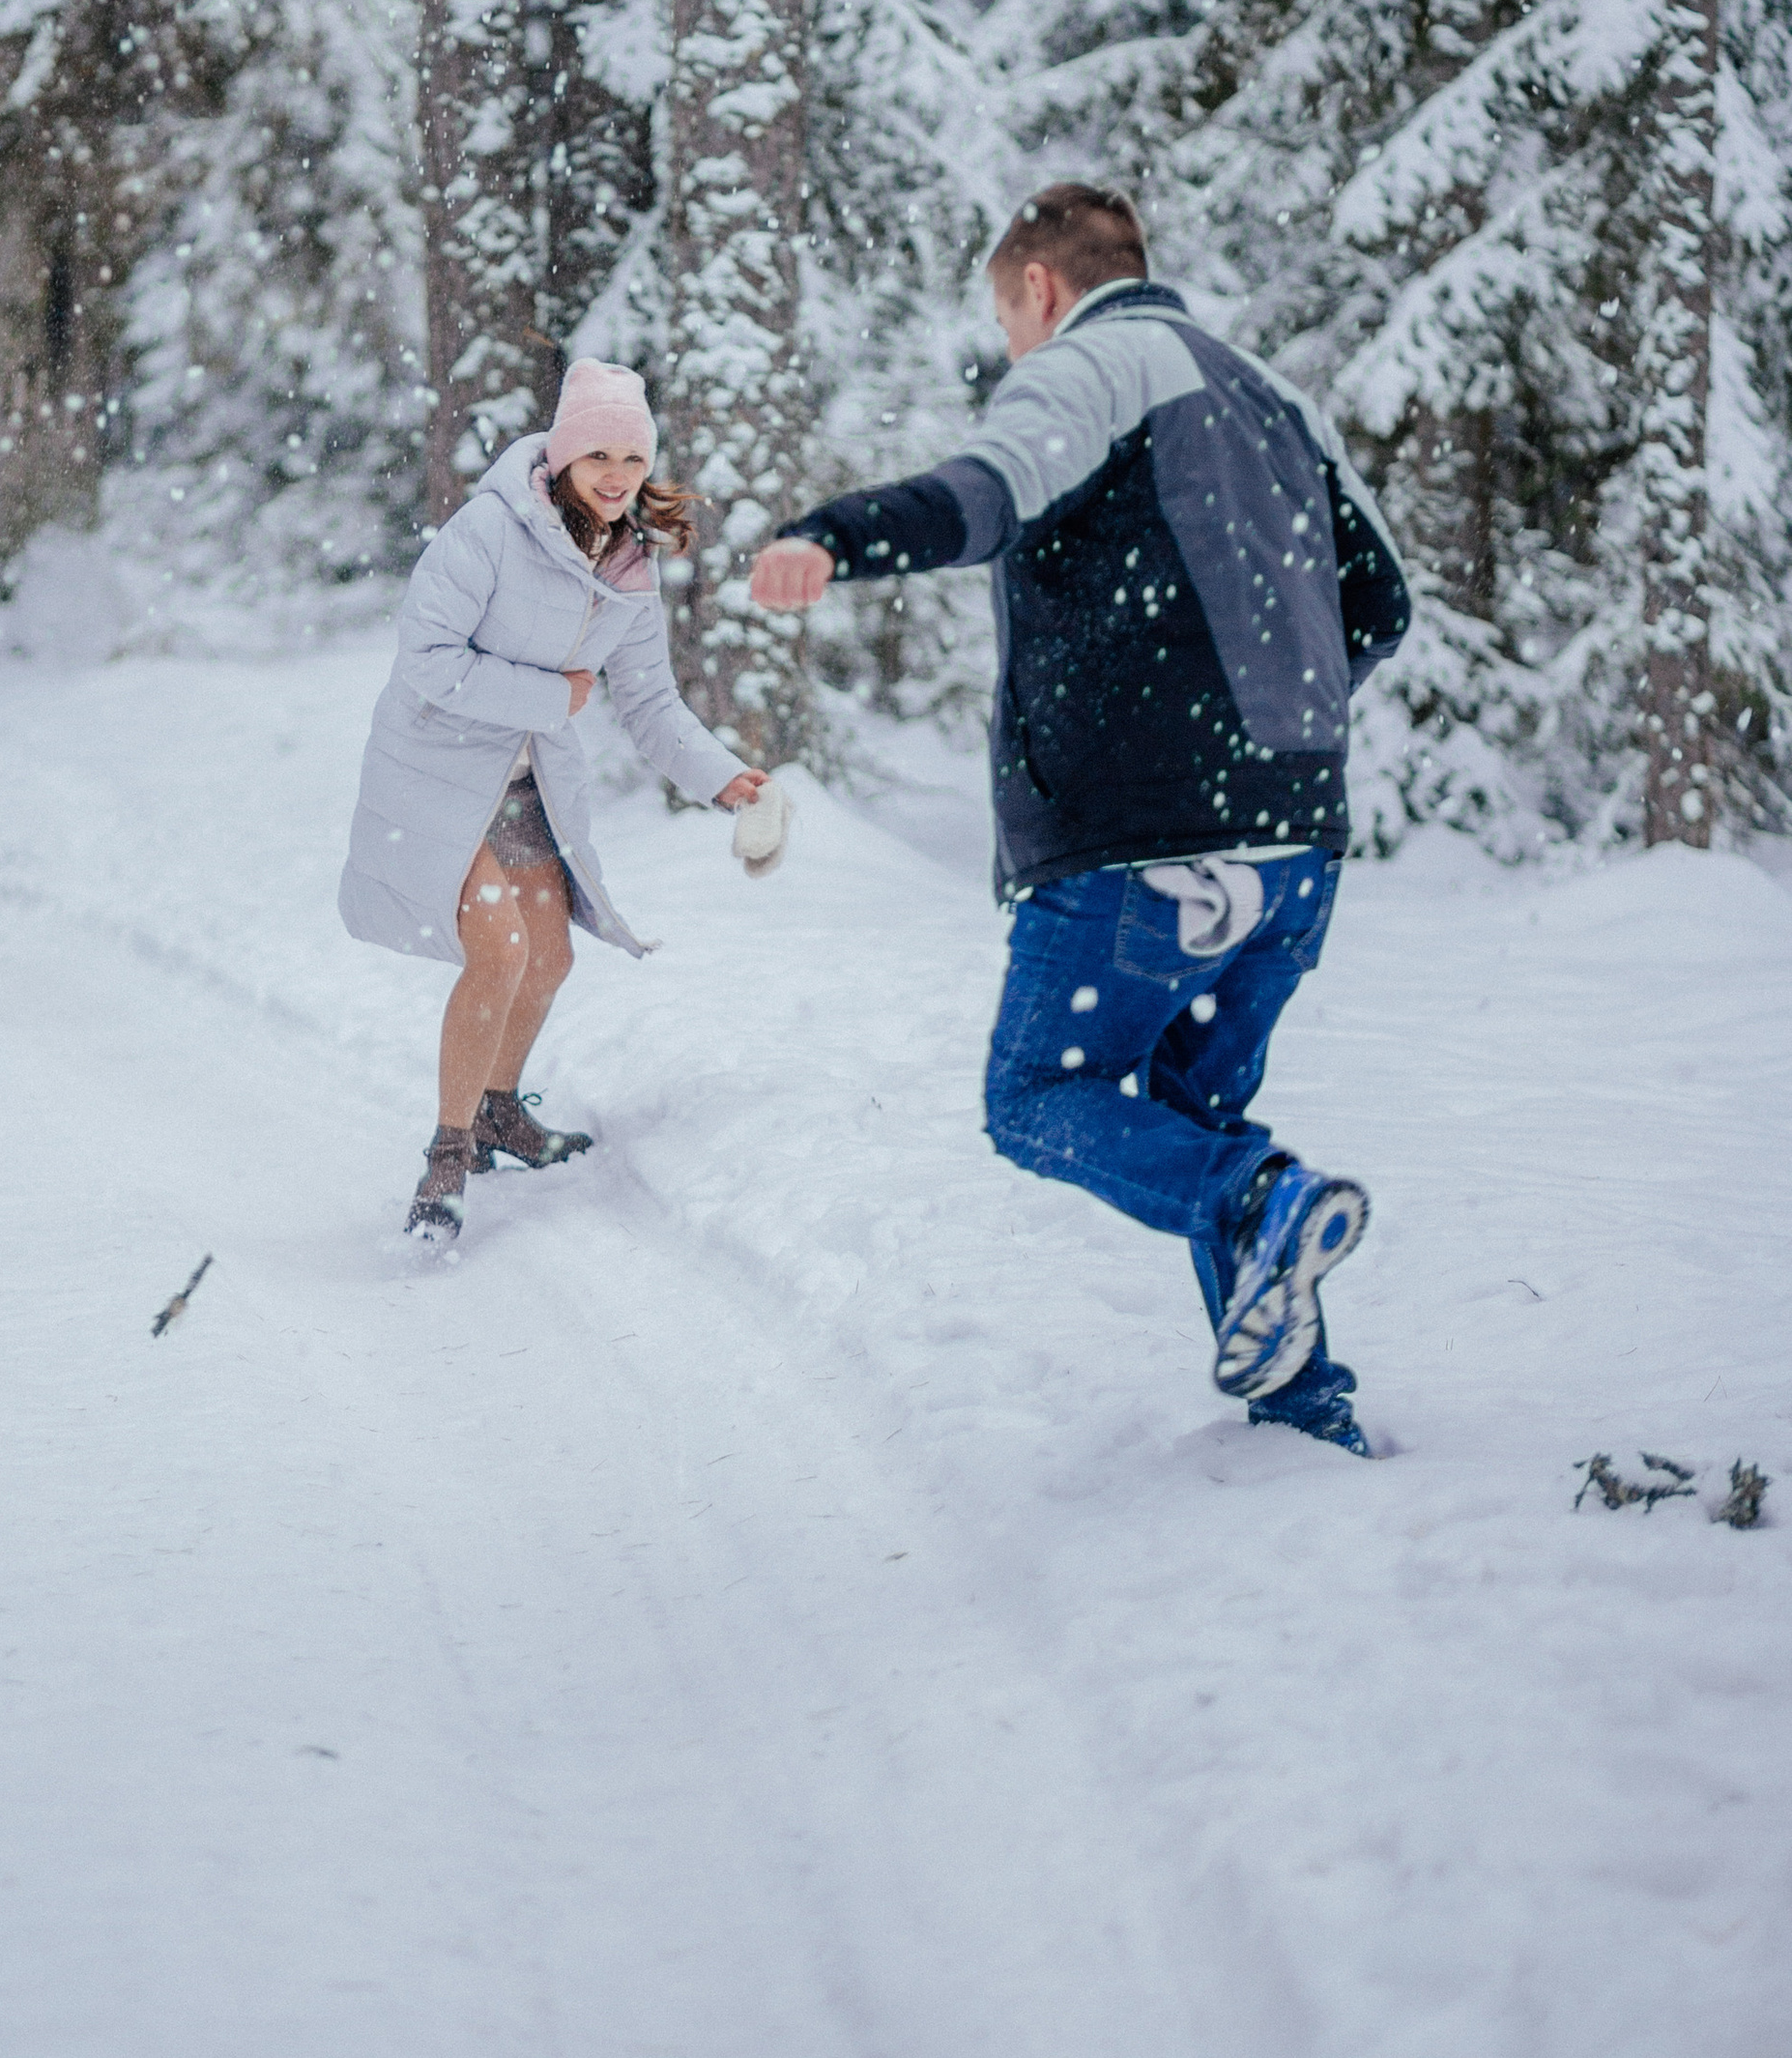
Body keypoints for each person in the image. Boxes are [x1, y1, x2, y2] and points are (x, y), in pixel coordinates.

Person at [750, 183, 1412, 1450]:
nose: (1013, 352)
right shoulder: (1275, 395)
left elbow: (987, 492)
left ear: (1041, 289)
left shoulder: (1091, 364)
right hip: (1294, 849)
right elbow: (1379, 602)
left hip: (1142, 851)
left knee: (1039, 1096)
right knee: (1194, 1118)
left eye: (1008, 322)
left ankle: (1263, 1203)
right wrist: (1267, 736)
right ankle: (1301, 1410)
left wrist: (836, 537)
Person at [342, 359, 767, 1249]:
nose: (617, 476)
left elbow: (648, 701)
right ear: (563, 456)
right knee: (497, 949)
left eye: (633, 458)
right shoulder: (490, 531)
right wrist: (552, 697)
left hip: (526, 775)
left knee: (548, 957)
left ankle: (497, 1109)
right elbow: (426, 657)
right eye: (599, 455)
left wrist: (722, 777)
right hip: (436, 768)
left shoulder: (630, 563)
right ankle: (447, 1157)